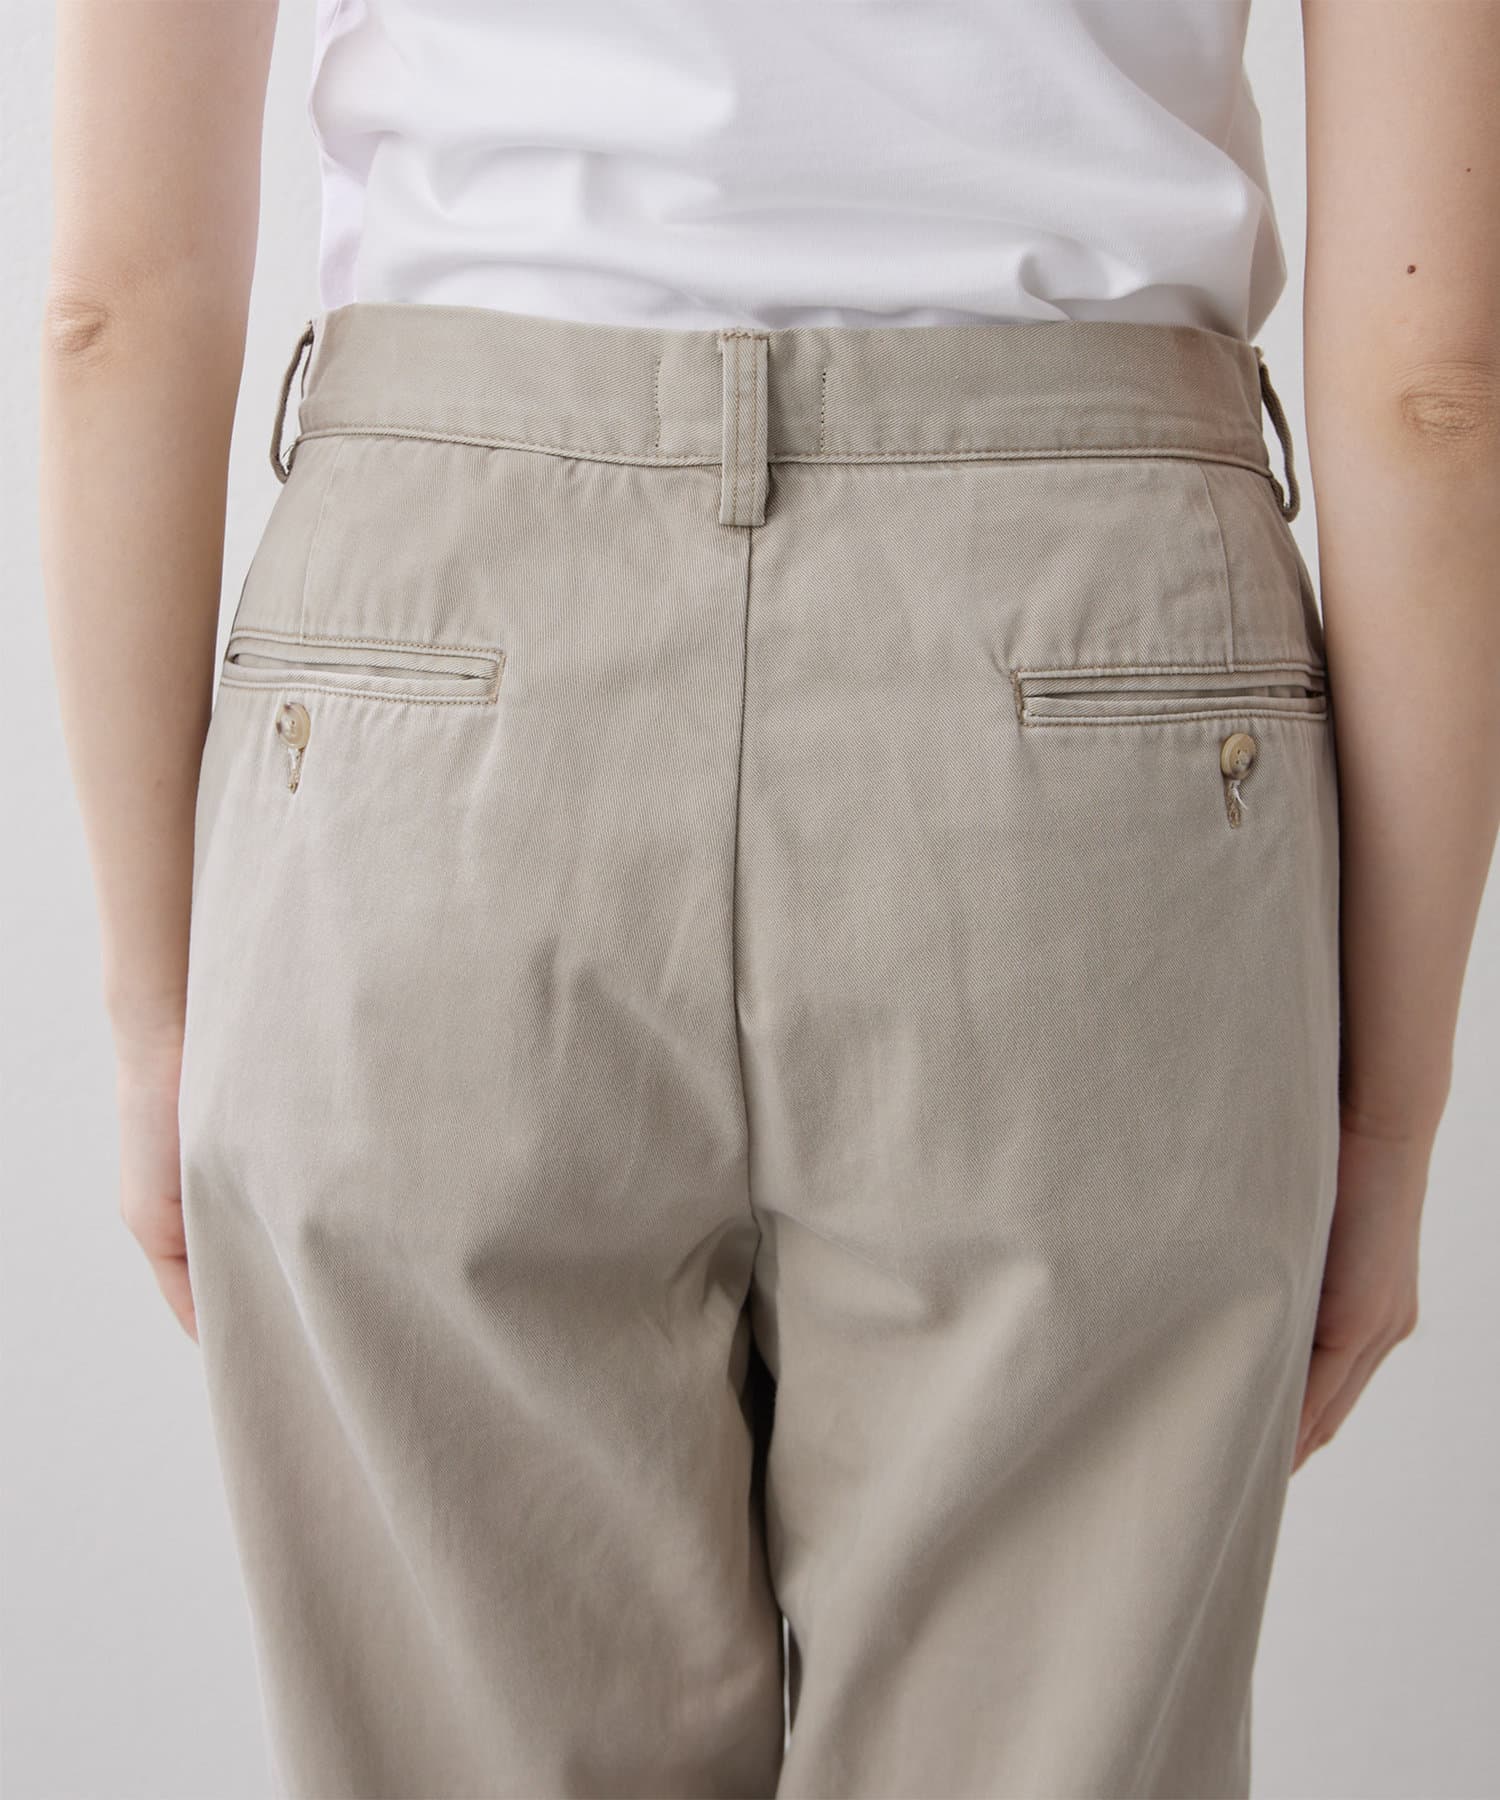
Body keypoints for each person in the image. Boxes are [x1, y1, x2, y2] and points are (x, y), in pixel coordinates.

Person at [38, 2, 1499, 1796]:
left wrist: (155, 1013)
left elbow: (112, 308)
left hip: (442, 686)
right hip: (1082, 687)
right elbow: (1439, 387)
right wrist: (1389, 1110)